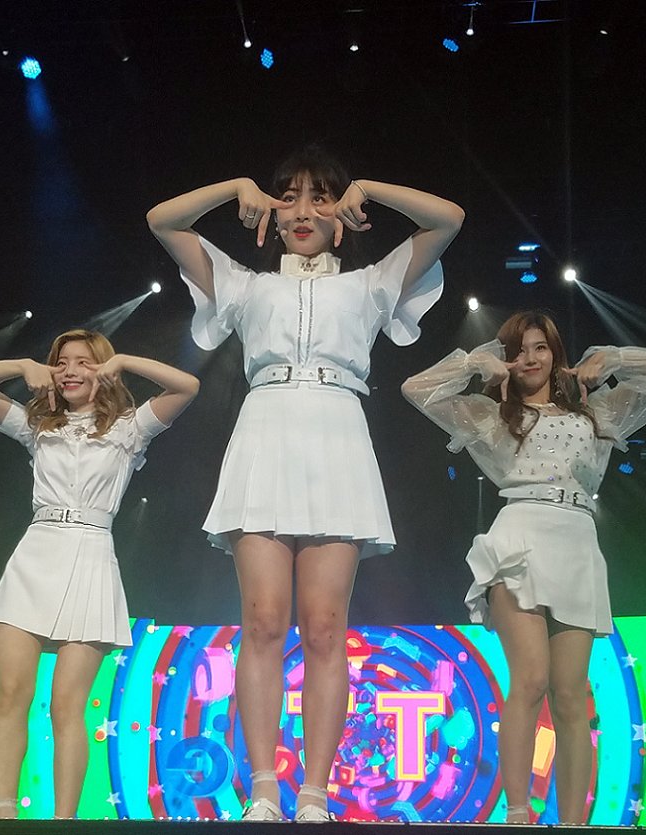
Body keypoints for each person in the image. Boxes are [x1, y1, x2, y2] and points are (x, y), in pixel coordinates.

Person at [146, 146, 462, 821]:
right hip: (265, 431)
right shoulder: (244, 285)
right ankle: (264, 787)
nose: (303, 210)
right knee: (263, 621)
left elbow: (449, 220)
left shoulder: (371, 284)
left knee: (323, 627)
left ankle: (314, 794)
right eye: (289, 196)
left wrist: (370, 185)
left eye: (320, 197)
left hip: (338, 432)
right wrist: (234, 184)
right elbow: (162, 222)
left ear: (343, 211)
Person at [401, 310, 646, 824]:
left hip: (576, 541)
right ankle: (517, 814)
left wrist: (612, 359)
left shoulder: (597, 413)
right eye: (519, 350)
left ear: (555, 354)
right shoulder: (489, 416)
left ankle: (573, 823)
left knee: (572, 695)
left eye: (540, 348)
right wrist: (475, 363)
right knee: (529, 680)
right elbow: (416, 389)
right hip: (519, 538)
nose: (530, 358)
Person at [0, 328, 198, 819]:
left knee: (67, 705)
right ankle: (4, 816)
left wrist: (124, 360)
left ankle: (65, 823)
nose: (70, 370)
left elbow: (187, 386)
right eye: (62, 361)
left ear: (102, 370)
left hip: (90, 556)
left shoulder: (129, 429)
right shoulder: (37, 426)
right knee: (11, 694)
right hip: (35, 555)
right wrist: (22, 366)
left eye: (83, 362)